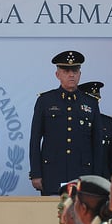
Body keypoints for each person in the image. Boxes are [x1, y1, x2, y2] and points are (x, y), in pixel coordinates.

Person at [29, 51, 103, 195]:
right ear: (58, 75)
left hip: (82, 173)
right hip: (52, 172)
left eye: (74, 71)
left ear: (80, 74)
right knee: (51, 214)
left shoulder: (90, 103)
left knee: (80, 214)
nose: (71, 75)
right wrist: (36, 173)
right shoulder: (45, 101)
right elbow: (35, 139)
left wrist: (96, 176)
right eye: (66, 71)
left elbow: (97, 143)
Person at [78, 81, 112, 178]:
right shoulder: (74, 121)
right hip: (81, 176)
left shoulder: (107, 122)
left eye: (96, 100)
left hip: (103, 178)